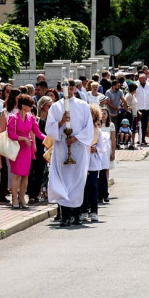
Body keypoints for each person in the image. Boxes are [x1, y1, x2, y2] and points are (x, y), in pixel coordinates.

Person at [46, 81, 95, 226]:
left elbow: (89, 128)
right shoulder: (56, 107)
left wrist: (75, 138)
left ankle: (77, 214)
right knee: (63, 181)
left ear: (75, 89)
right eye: (67, 88)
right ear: (62, 89)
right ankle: (65, 215)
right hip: (62, 149)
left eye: (72, 88)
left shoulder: (83, 105)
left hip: (78, 149)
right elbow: (49, 128)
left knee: (78, 182)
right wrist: (60, 123)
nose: (70, 90)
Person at [8, 94, 46, 210]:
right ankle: (14, 198)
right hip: (16, 149)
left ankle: (22, 198)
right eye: (29, 105)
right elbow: (11, 134)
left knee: (25, 175)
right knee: (17, 174)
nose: (31, 107)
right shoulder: (13, 117)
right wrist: (23, 138)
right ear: (23, 106)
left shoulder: (31, 118)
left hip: (26, 150)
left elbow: (38, 133)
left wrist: (50, 140)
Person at [135, 74, 149, 146]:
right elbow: (134, 97)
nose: (142, 81)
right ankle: (140, 138)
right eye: (140, 80)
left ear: (146, 79)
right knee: (139, 124)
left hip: (147, 108)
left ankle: (143, 138)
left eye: (143, 80)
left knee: (145, 124)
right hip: (138, 108)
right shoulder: (136, 86)